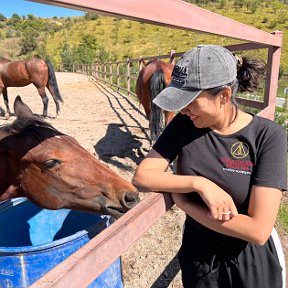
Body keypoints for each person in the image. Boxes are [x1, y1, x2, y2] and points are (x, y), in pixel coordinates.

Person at [132, 44, 287, 288]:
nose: (183, 109)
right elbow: (142, 176)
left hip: (249, 260)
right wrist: (199, 184)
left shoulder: (267, 136)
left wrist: (185, 204)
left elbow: (258, 231)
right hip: (199, 256)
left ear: (224, 96)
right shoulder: (184, 125)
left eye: (190, 101)